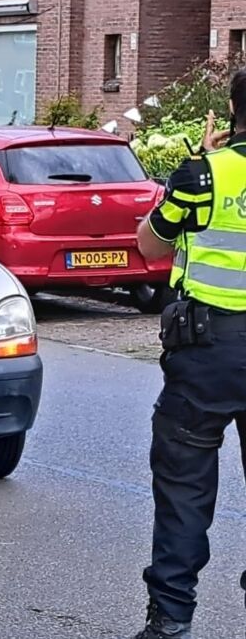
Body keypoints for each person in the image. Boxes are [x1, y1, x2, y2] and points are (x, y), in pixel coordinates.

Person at [132, 69, 246, 639]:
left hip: (208, 351)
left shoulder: (203, 175)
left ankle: (171, 620)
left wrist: (202, 166)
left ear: (231, 108)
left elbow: (149, 243)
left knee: (184, 486)